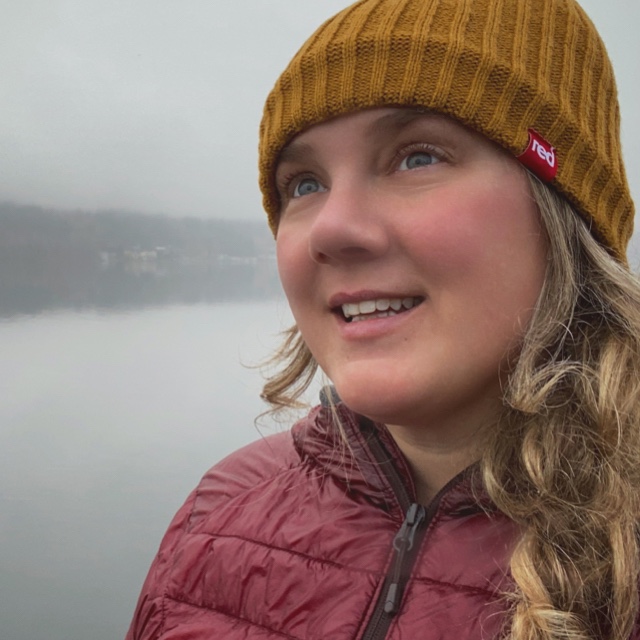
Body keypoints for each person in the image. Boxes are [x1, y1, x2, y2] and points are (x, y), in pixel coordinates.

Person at [126, 0, 640, 638]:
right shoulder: (218, 514)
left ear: (565, 214)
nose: (332, 228)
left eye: (418, 157)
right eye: (305, 184)